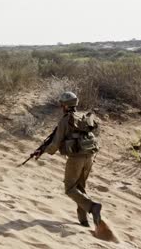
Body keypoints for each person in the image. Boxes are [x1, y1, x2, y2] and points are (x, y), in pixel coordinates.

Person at [34, 91, 102, 227]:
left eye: (61, 104)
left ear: (65, 105)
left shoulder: (66, 120)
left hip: (76, 157)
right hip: (89, 156)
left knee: (70, 188)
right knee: (80, 187)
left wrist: (43, 151)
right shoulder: (83, 116)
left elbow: (55, 143)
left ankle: (93, 207)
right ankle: (84, 221)